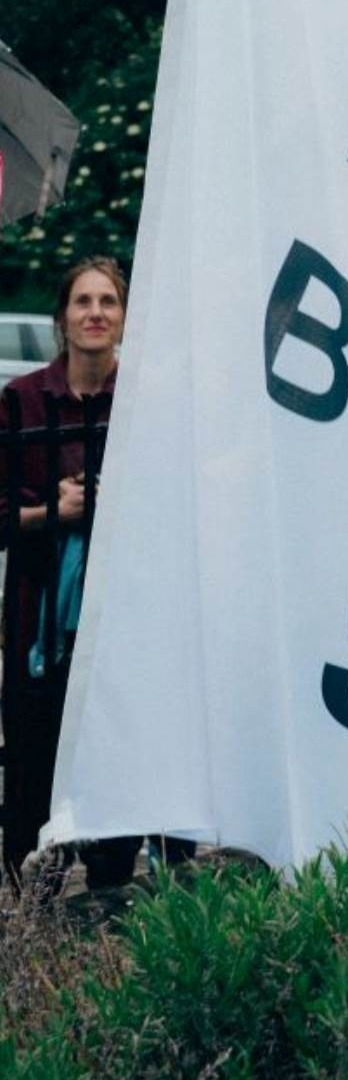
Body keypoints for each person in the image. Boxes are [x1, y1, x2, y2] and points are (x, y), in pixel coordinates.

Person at [0, 257, 140, 886]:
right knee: (36, 760)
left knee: (116, 752)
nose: (95, 313)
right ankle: (35, 894)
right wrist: (56, 511)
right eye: (83, 301)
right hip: (37, 619)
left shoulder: (142, 397)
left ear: (125, 317)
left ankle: (113, 884)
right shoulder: (22, 400)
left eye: (108, 302)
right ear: (63, 317)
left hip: (122, 622)